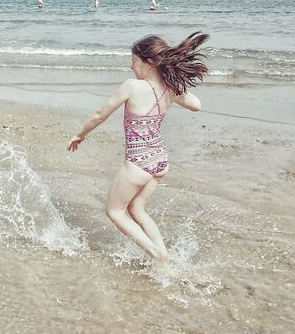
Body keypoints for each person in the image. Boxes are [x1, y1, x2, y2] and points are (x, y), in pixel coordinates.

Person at [67, 32, 209, 262]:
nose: (131, 67)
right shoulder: (169, 89)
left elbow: (99, 114)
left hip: (139, 163)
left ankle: (157, 254)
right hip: (160, 161)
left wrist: (79, 134)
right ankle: (164, 256)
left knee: (114, 211)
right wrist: (172, 85)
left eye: (134, 61)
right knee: (137, 209)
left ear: (149, 62)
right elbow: (196, 105)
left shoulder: (132, 86)